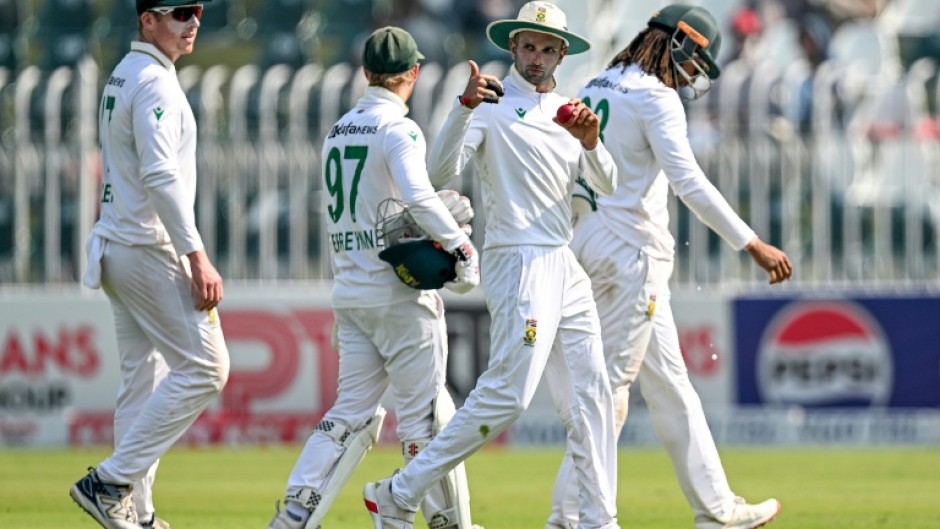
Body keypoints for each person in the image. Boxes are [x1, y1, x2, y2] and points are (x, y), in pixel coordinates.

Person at [363, 3, 622, 529]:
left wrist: (592, 143)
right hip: (518, 258)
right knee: (509, 395)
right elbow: (439, 172)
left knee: (593, 393)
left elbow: (608, 183)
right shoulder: (492, 104)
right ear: (513, 47)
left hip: (562, 261)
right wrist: (462, 107)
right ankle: (399, 489)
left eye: (548, 48)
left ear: (562, 52)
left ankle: (599, 519)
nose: (536, 57)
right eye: (528, 46)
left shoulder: (572, 111)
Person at [551, 4, 793, 529]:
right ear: (678, 43)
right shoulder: (655, 97)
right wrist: (751, 243)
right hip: (629, 255)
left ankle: (718, 511)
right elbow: (688, 182)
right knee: (607, 393)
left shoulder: (598, 83)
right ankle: (567, 517)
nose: (691, 76)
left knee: (670, 385)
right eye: (694, 62)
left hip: (588, 242)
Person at [264, 26, 484, 529]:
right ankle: (445, 522)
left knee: (350, 416)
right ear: (414, 74)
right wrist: (460, 246)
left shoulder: (338, 132)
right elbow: (420, 197)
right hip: (398, 294)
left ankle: (297, 512)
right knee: (425, 422)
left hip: (351, 293)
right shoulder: (398, 129)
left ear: (365, 73)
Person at [69, 2, 230, 529]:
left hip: (119, 243)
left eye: (198, 11)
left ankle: (136, 515)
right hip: (145, 246)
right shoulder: (155, 83)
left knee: (142, 382)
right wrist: (196, 254)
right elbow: (161, 176)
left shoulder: (126, 73)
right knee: (208, 367)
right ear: (148, 20)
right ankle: (111, 482)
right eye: (179, 12)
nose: (193, 22)